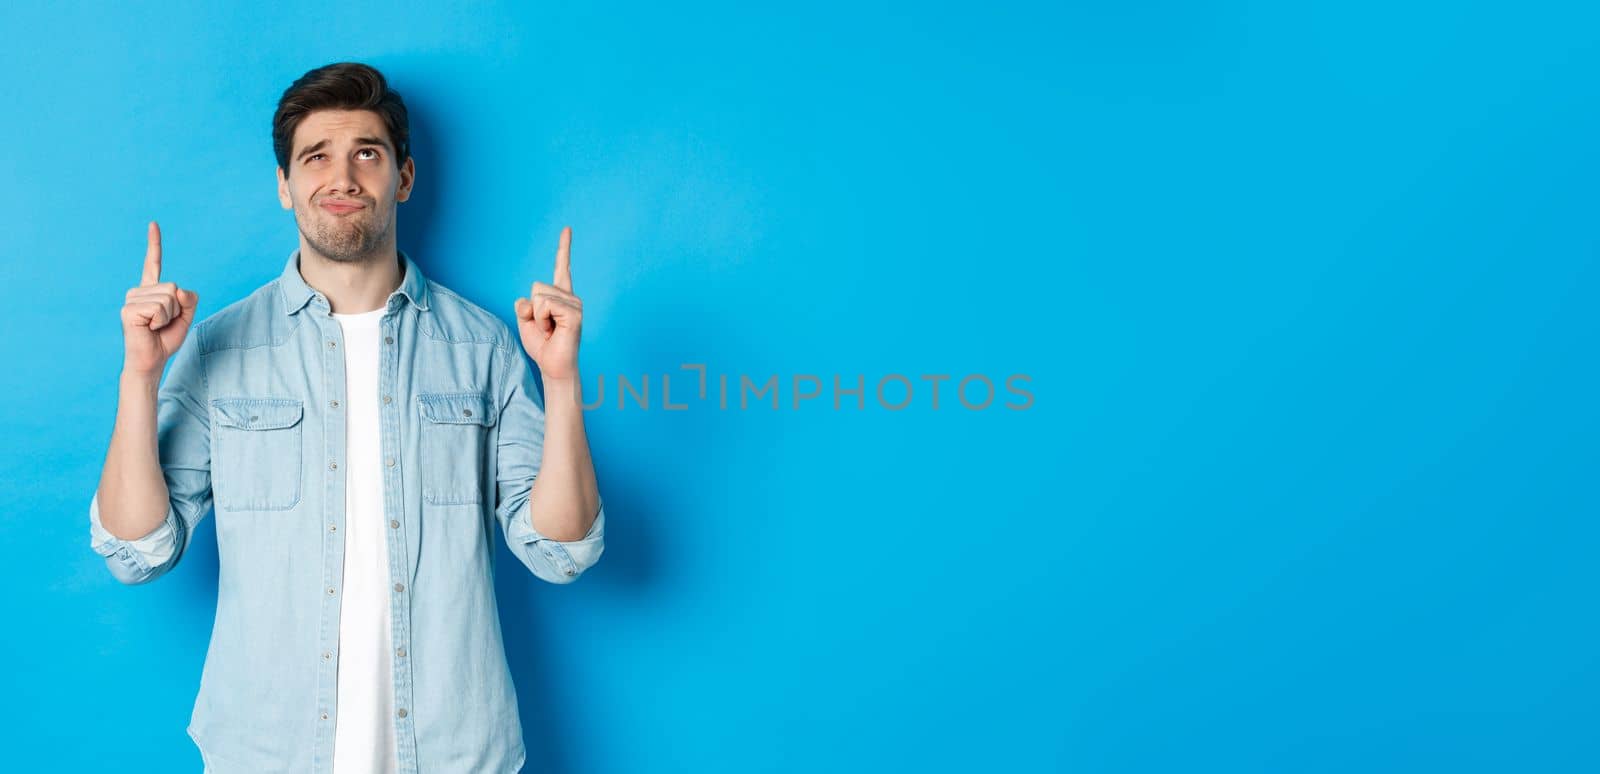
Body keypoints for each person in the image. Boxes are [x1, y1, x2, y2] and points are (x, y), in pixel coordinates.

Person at [87, 61, 606, 773]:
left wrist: (562, 378)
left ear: (404, 178)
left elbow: (560, 551)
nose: (343, 177)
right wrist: (140, 377)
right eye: (315, 157)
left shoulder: (482, 346)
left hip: (454, 753)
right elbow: (136, 550)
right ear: (284, 185)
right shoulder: (220, 348)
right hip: (266, 753)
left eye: (367, 152)